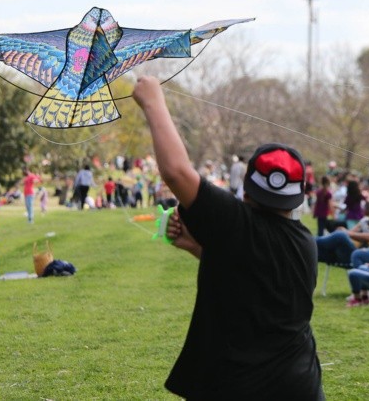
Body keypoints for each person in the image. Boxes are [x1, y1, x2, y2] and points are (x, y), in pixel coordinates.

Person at [133, 76, 323, 400]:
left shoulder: (237, 222)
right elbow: (250, 276)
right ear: (297, 195)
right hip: (299, 385)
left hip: (237, 385)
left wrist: (153, 101)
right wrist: (198, 248)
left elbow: (178, 173)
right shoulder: (304, 241)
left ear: (247, 188)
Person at [316, 199, 369, 266]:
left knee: (340, 235)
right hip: (346, 250)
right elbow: (351, 232)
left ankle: (310, 240)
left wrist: (347, 233)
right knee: (316, 253)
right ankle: (308, 244)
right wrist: (345, 231)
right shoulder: (365, 221)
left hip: (359, 255)